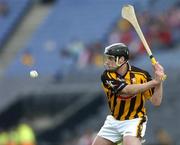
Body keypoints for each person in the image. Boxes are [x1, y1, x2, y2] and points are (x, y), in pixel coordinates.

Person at [92, 43, 165, 145]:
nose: (107, 62)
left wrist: (159, 81)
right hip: (114, 120)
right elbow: (127, 91)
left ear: (121, 59)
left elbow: (156, 101)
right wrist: (154, 82)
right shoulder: (107, 75)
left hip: (134, 121)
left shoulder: (142, 75)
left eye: (110, 59)